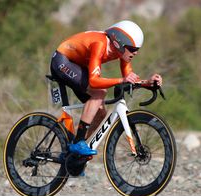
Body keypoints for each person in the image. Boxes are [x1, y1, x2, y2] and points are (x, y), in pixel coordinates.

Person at [50, 20, 162, 156]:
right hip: (62, 61)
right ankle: (78, 142)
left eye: (137, 50)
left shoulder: (121, 52)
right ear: (118, 43)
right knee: (99, 93)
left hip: (78, 66)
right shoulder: (100, 44)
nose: (136, 53)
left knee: (100, 113)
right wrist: (121, 80)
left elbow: (129, 79)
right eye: (132, 49)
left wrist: (147, 83)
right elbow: (94, 81)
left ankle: (74, 152)